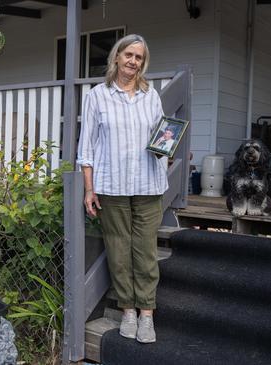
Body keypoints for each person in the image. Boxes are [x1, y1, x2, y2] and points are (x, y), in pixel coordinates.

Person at [76, 34, 168, 344]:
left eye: (138, 58)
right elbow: (86, 148)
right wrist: (89, 189)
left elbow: (161, 136)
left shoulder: (151, 96)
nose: (132, 61)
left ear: (143, 63)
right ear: (117, 57)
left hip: (148, 184)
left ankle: (146, 314)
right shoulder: (97, 96)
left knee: (145, 252)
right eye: (128, 54)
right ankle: (127, 309)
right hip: (112, 185)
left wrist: (164, 146)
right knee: (118, 250)